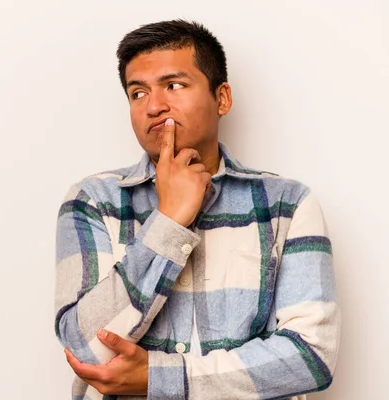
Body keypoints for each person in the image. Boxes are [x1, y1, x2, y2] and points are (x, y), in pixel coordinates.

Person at [54, 19, 340, 400]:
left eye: (173, 85)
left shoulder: (287, 204)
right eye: (137, 93)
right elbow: (85, 348)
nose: (154, 106)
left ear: (221, 98)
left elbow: (310, 357)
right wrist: (169, 220)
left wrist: (161, 378)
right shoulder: (92, 200)